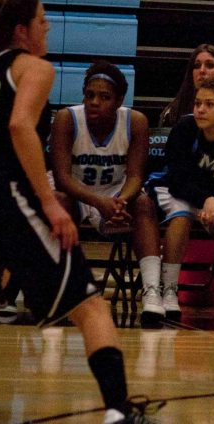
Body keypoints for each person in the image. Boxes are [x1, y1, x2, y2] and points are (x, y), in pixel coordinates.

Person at [0, 0, 160, 422]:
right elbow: (18, 126)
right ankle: (118, 409)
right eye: (43, 20)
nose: (47, 27)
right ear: (21, 31)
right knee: (90, 304)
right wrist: (50, 203)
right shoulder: (33, 67)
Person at [48, 62, 160, 324]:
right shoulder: (67, 118)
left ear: (120, 100)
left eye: (104, 97)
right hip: (76, 192)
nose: (94, 102)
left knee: (144, 203)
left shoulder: (135, 122)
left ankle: (153, 291)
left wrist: (120, 201)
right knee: (58, 202)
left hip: (115, 193)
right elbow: (62, 178)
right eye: (90, 95)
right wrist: (99, 202)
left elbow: (135, 176)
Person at [140, 78, 214, 328]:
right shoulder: (184, 128)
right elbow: (177, 179)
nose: (200, 109)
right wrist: (207, 199)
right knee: (180, 216)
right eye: (198, 103)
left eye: (209, 104)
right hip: (181, 192)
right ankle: (169, 290)